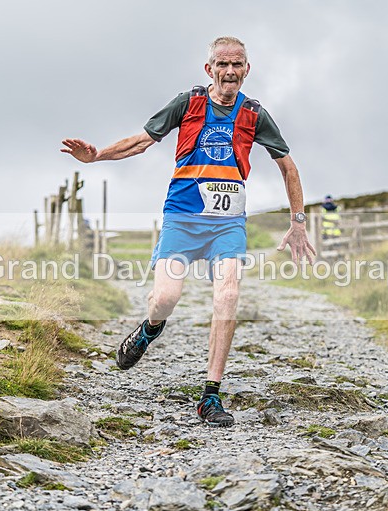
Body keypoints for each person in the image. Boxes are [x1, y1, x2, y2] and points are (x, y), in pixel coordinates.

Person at [61, 36, 315, 428]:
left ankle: (210, 395)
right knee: (165, 299)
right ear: (209, 68)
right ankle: (149, 329)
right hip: (182, 218)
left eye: (237, 64)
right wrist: (96, 156)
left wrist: (298, 222)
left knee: (228, 295)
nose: (229, 71)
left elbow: (289, 167)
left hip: (227, 224)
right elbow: (141, 142)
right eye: (222, 64)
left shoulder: (254, 114)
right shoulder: (188, 103)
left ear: (247, 70)